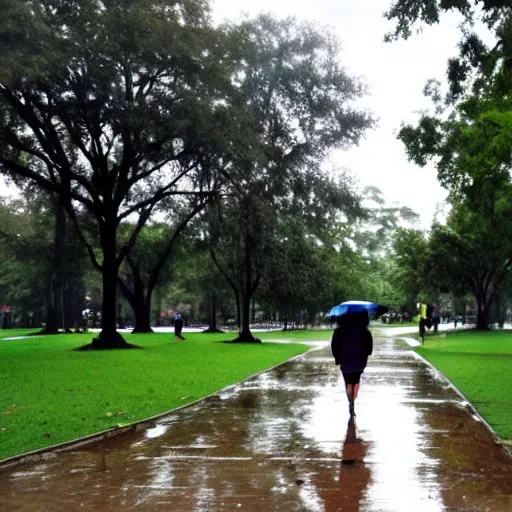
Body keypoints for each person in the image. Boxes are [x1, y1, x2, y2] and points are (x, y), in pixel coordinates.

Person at [331, 311, 373, 417]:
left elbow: (334, 345)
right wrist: (366, 353)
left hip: (345, 360)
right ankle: (354, 398)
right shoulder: (364, 330)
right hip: (359, 360)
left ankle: (350, 401)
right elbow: (369, 346)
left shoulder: (339, 331)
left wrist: (337, 358)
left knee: (348, 381)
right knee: (356, 379)